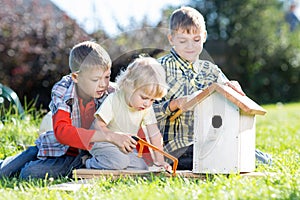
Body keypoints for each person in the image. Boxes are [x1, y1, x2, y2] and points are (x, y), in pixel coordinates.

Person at [153, 6, 272, 170]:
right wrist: (174, 104)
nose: (190, 46)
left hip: (208, 139)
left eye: (196, 40)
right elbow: (145, 112)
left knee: (244, 154)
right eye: (182, 41)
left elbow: (229, 100)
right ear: (171, 39)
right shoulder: (159, 69)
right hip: (176, 147)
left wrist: (234, 90)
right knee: (212, 158)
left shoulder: (211, 71)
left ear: (204, 37)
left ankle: (256, 157)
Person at [0, 41, 137, 179]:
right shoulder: (63, 90)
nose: (103, 84)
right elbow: (62, 132)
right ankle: (29, 157)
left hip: (82, 156)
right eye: (95, 79)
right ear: (76, 77)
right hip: (54, 147)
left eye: (107, 76)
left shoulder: (112, 93)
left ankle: (39, 165)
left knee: (28, 174)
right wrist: (110, 136)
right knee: (3, 172)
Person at [85, 57, 171, 171]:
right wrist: (114, 137)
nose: (147, 104)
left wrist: (160, 162)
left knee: (141, 167)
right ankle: (88, 162)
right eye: (144, 97)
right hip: (102, 141)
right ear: (130, 86)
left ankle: (112, 162)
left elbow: (154, 135)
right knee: (120, 162)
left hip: (123, 147)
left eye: (152, 100)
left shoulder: (146, 108)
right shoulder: (114, 99)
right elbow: (98, 126)